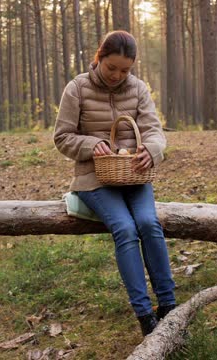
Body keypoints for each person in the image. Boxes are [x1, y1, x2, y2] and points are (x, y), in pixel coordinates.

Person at [53, 30, 177, 336]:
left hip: (134, 174)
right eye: (112, 68)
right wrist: (89, 145)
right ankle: (145, 315)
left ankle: (169, 306)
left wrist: (152, 150)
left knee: (149, 223)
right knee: (124, 228)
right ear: (99, 58)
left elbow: (154, 130)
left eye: (125, 70)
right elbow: (62, 137)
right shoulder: (77, 88)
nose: (117, 76)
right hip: (94, 179)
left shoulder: (138, 89)